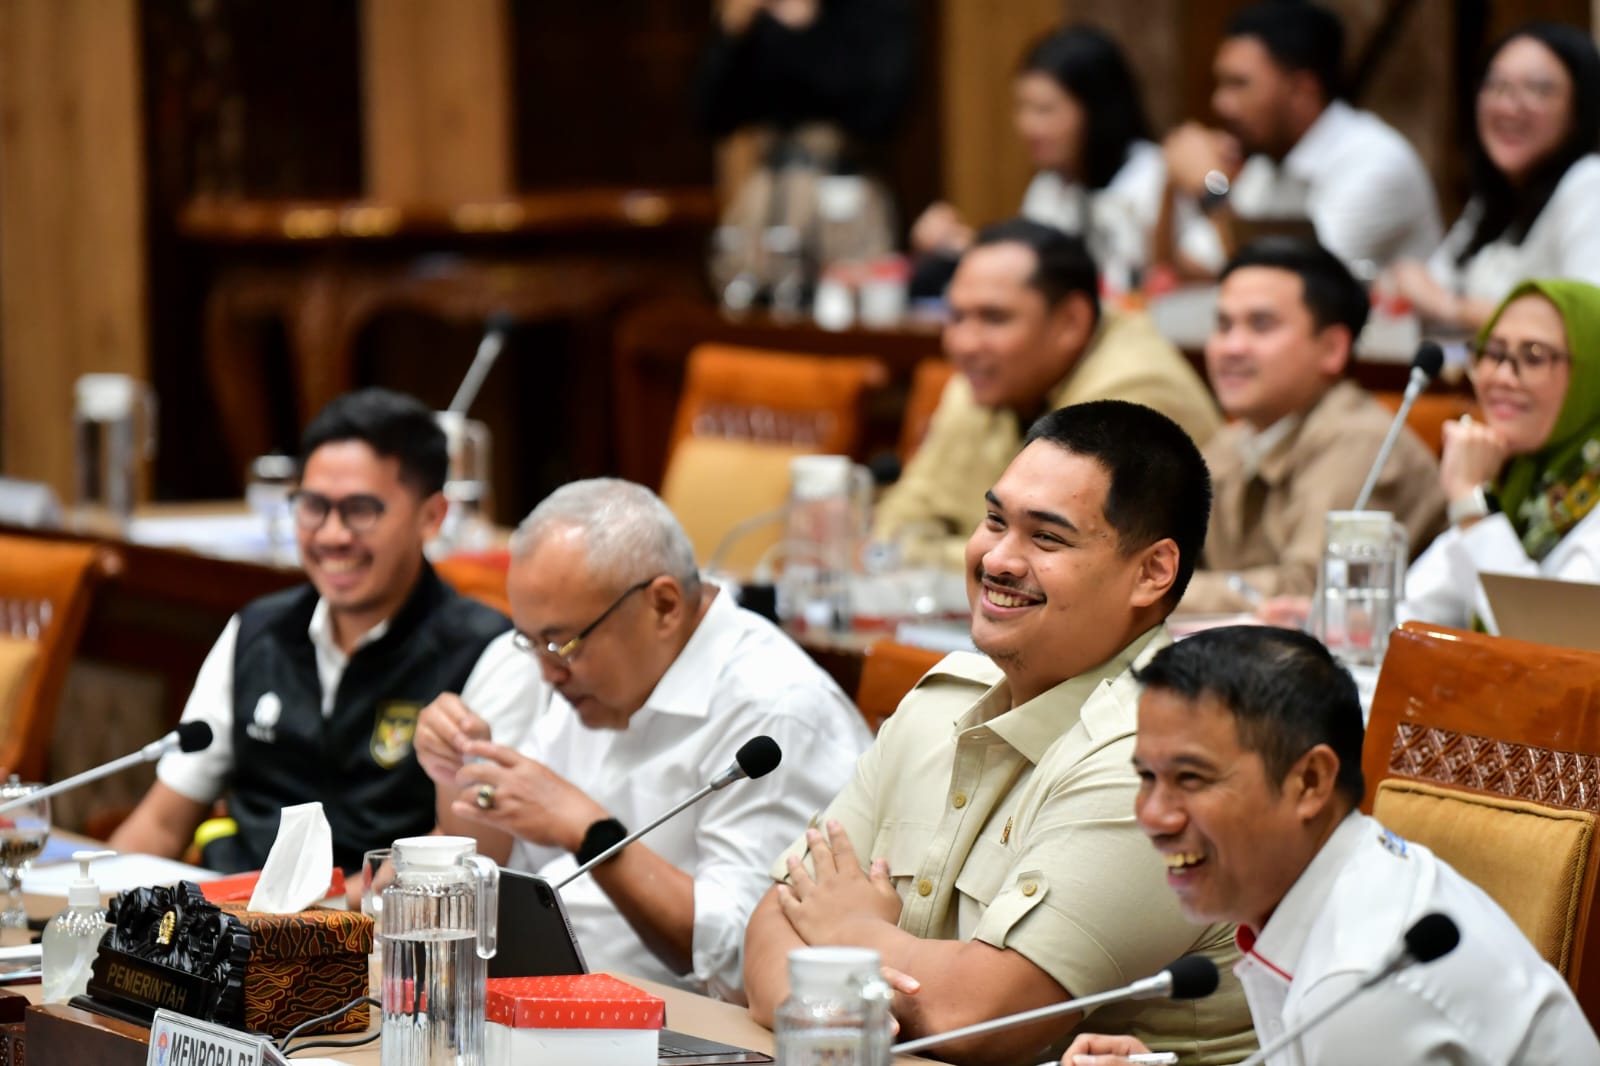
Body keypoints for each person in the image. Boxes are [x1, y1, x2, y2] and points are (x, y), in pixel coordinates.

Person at [746, 401, 1255, 1066]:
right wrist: (891, 993)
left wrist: (849, 935)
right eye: (993, 522)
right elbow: (764, 940)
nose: (998, 560)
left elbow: (984, 1018)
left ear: (1153, 571)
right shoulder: (941, 699)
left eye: (1047, 539)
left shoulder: (1165, 755)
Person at [415, 478, 871, 1001]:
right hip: (547, 1002)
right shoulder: (596, 683)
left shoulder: (774, 712)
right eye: (533, 643)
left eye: (560, 643)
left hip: (686, 1031)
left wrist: (591, 833)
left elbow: (738, 962)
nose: (548, 673)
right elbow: (503, 852)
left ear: (664, 606)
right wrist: (459, 773)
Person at [1062, 625, 1600, 1065]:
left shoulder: (1362, 984)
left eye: (1192, 779)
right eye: (1147, 777)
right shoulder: (1343, 877)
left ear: (1311, 782)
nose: (1152, 817)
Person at [108, 388, 523, 874]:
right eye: (313, 506)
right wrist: (94, 909)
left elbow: (470, 853)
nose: (331, 535)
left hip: (376, 935)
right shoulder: (257, 630)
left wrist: (317, 919)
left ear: (431, 517)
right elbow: (161, 823)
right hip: (233, 918)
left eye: (361, 510)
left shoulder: (488, 651)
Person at [875, 220, 1221, 568]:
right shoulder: (987, 380)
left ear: (1072, 321)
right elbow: (900, 516)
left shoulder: (1132, 395)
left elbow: (1069, 569)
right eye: (956, 316)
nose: (963, 343)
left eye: (994, 318)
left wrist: (927, 553)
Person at [1181, 238, 1446, 614]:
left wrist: (1145, 593)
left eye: (1261, 325)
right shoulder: (1234, 439)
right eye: (1223, 326)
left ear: (1333, 349)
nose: (1231, 347)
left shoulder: (1358, 440)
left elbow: (1307, 592)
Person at [1157, 1, 1440, 278]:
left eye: (1239, 84)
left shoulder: (1374, 161)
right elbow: (1185, 269)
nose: (1220, 103)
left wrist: (1211, 188)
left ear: (1302, 90)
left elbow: (1292, 285)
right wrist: (1172, 183)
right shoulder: (1269, 163)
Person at [1404, 279, 1600, 630]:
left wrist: (1470, 503)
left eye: (1534, 356)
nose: (1501, 377)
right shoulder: (1521, 475)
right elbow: (1413, 609)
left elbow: (1553, 643)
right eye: (1493, 353)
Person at [1388, 23, 1600, 332]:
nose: (1508, 107)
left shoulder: (1589, 183)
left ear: (1580, 109)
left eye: (1538, 90)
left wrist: (1450, 307)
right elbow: (1421, 287)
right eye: (1496, 86)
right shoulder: (1495, 198)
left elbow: (1589, 321)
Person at [912, 25, 1162, 285]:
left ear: (1097, 110)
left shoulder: (1152, 175)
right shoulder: (1047, 188)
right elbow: (1035, 276)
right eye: (1022, 107)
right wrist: (962, 247)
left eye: (1044, 110)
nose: (1027, 126)